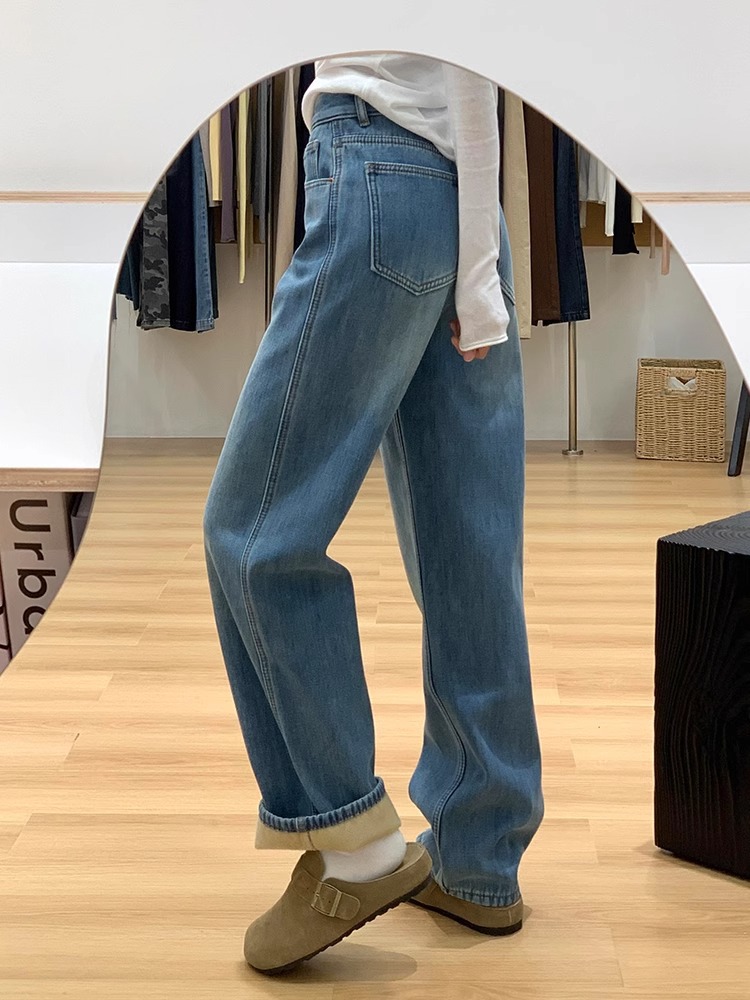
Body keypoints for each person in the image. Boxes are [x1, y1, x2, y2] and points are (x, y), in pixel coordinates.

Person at [202, 53, 544, 975]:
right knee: (468, 550)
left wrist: (477, 263)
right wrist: (479, 256)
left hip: (377, 175)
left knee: (251, 531)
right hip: (461, 201)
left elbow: (461, 48)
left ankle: (354, 845)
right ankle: (479, 862)